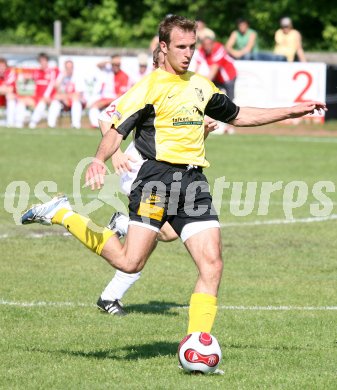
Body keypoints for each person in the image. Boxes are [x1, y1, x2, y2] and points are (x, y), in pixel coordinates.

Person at [21, 15, 326, 340]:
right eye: (181, 46)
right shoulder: (149, 88)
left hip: (194, 183)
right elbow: (114, 128)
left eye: (192, 46)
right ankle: (62, 214)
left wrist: (290, 110)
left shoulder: (200, 85)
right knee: (129, 263)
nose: (188, 53)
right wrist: (99, 158)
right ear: (163, 47)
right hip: (155, 181)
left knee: (212, 264)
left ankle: (197, 343)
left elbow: (239, 115)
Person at [96, 46, 219, 315]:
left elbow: (185, 149)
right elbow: (106, 117)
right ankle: (121, 230)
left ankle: (111, 292)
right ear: (160, 58)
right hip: (140, 169)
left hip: (167, 175)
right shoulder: (148, 87)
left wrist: (203, 131)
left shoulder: (182, 91)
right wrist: (114, 154)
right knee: (151, 240)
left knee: (168, 233)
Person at [15, 53, 58, 128]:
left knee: (43, 102)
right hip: (36, 97)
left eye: (44, 61)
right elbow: (27, 77)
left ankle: (33, 124)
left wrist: (47, 96)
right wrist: (23, 78)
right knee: (21, 101)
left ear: (47, 61)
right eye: (41, 61)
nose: (42, 63)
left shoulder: (52, 72)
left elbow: (54, 84)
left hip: (48, 98)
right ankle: (18, 125)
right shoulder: (36, 72)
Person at [88, 55, 130, 128]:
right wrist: (110, 61)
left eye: (117, 64)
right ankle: (96, 125)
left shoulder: (124, 76)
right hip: (104, 98)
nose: (115, 66)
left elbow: (120, 96)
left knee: (96, 105)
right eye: (114, 64)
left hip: (115, 101)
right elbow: (98, 65)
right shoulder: (108, 71)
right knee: (92, 106)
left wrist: (105, 102)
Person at [47, 60, 86, 129]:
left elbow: (77, 95)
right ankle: (51, 125)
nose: (69, 70)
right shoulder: (62, 76)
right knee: (55, 102)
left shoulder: (78, 76)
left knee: (76, 103)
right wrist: (62, 78)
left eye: (70, 68)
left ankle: (75, 125)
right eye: (67, 68)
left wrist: (65, 97)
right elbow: (56, 89)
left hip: (77, 101)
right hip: (65, 100)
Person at [0, 58, 17, 127]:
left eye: (3, 66)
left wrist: (3, 90)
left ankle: (10, 123)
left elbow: (10, 89)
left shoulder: (10, 73)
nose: (1, 69)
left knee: (10, 96)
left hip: (8, 101)